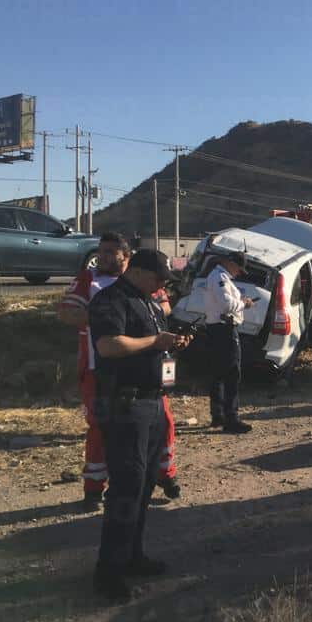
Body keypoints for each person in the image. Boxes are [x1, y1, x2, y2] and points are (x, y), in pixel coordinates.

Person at [88, 250, 191, 602]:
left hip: (151, 402)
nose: (162, 286)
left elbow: (152, 344)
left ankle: (133, 556)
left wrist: (172, 342)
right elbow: (109, 345)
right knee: (126, 489)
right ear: (139, 271)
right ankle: (109, 572)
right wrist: (155, 341)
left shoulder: (146, 302)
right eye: (158, 278)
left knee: (145, 485)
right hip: (124, 405)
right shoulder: (111, 300)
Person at [58, 232, 180, 511]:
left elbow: (164, 308)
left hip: (148, 371)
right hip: (99, 370)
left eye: (111, 252)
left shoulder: (147, 281)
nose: (103, 256)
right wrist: (112, 316)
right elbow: (66, 313)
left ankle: (164, 475)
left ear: (127, 257)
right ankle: (94, 488)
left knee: (163, 424)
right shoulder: (91, 281)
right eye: (101, 251)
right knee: (101, 428)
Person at [204, 251, 255, 433]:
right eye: (238, 268)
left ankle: (218, 415)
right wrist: (244, 304)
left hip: (217, 329)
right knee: (232, 374)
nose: (239, 273)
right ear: (229, 262)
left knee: (218, 374)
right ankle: (231, 418)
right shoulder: (220, 277)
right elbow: (226, 305)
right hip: (224, 330)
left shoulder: (220, 277)